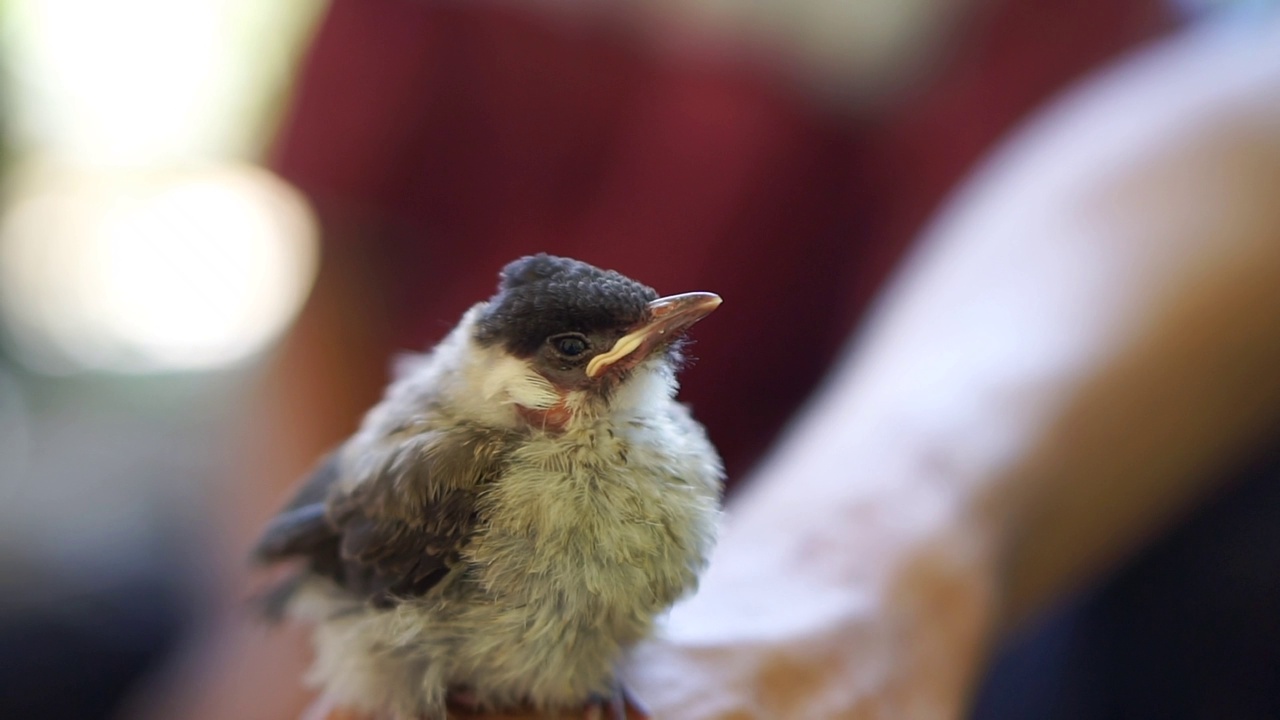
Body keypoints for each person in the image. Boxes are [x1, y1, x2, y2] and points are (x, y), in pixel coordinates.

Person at [131, 2, 1280, 719]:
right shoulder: (453, 466)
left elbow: (1220, 117)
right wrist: (271, 657)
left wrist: (848, 600)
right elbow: (341, 253)